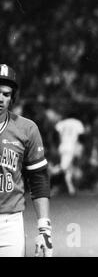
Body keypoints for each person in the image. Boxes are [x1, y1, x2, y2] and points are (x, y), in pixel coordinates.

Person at [0, 64, 53, 257]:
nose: (0, 98)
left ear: (12, 98)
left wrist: (44, 229)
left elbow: (38, 179)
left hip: (9, 224)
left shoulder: (26, 129)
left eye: (6, 94)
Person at [55, 111, 85, 196]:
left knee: (68, 169)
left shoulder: (61, 123)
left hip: (62, 146)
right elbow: (81, 137)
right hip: (71, 147)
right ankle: (49, 171)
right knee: (64, 167)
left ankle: (71, 189)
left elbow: (56, 135)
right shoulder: (77, 123)